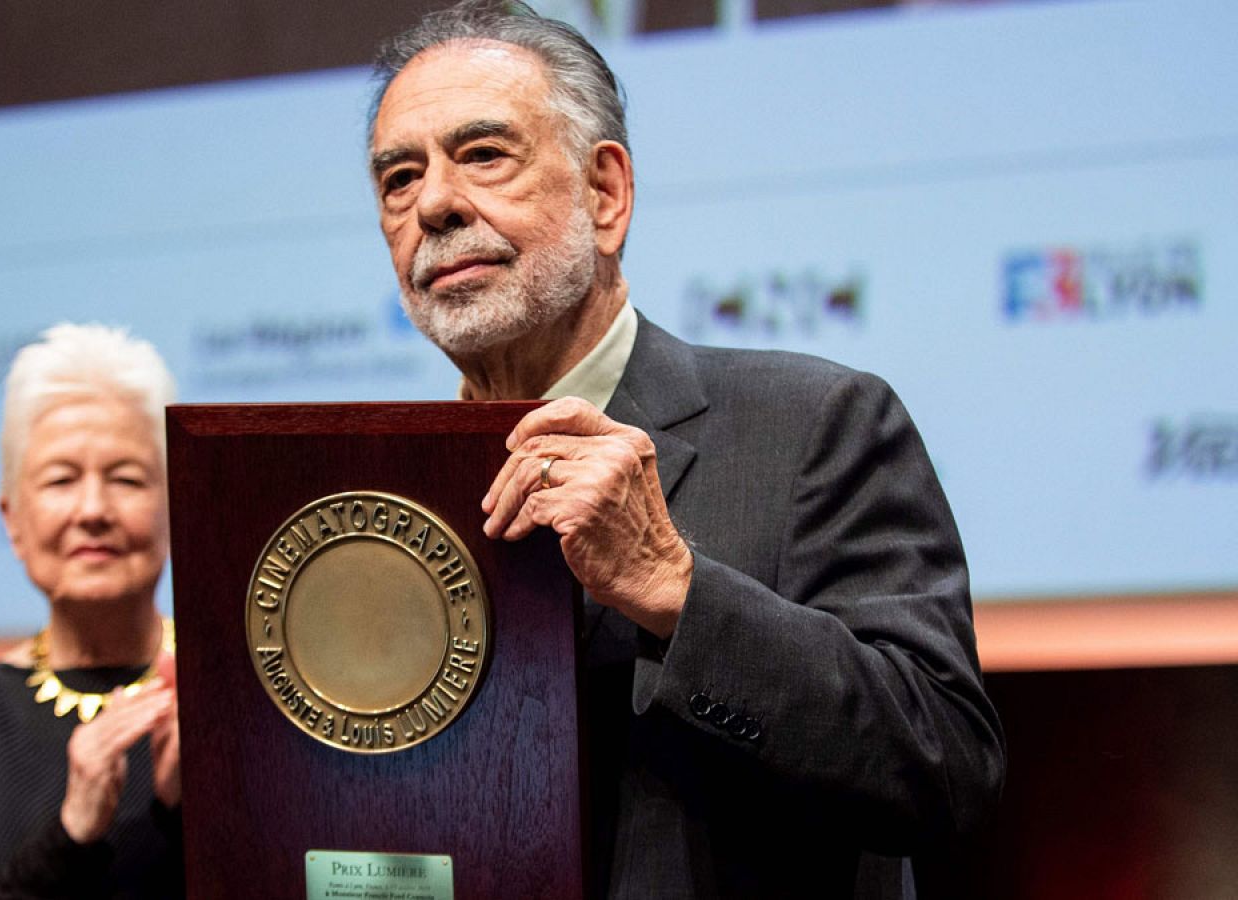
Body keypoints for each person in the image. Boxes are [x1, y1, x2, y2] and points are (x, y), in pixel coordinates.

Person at [366, 2, 1005, 896]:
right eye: (398, 177)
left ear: (605, 194)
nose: (432, 203)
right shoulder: (379, 504)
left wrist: (678, 589)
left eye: (482, 155)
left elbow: (942, 766)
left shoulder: (815, 422)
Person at [0, 323, 183, 898]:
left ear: (176, 502)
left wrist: (195, 815)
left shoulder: (230, 695)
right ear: (13, 521)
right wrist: (70, 835)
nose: (93, 509)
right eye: (61, 479)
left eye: (126, 478)